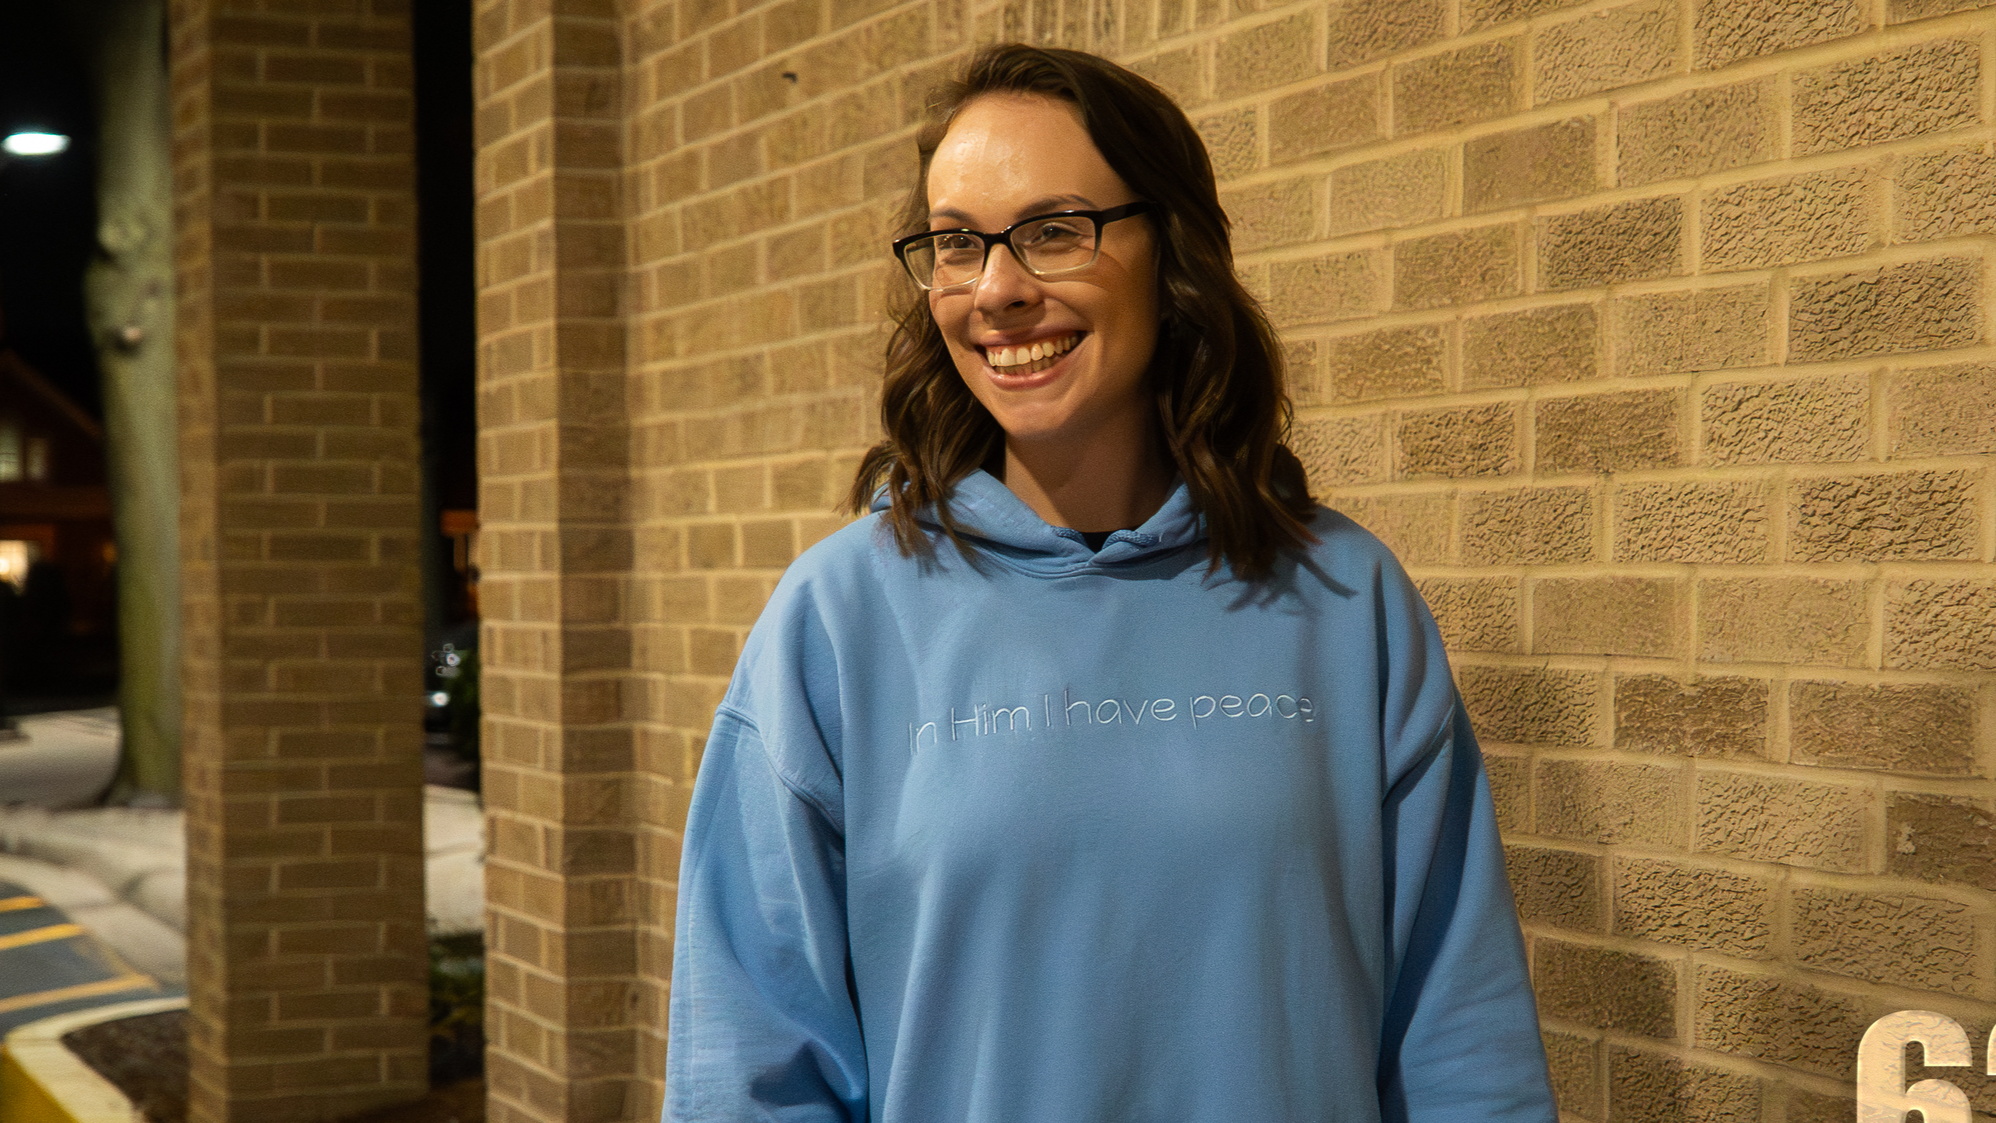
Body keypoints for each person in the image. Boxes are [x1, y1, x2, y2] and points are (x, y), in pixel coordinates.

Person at [664, 44, 1557, 1123]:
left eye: (1051, 231)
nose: (996, 289)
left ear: (1170, 255)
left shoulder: (1347, 604)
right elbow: (748, 1071)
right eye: (956, 244)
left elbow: (1458, 1039)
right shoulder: (836, 621)